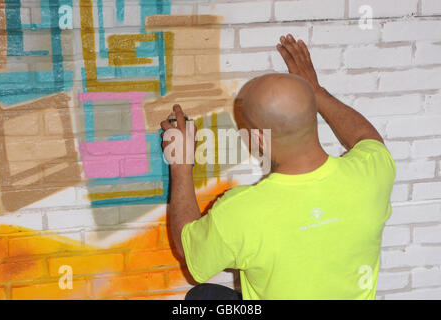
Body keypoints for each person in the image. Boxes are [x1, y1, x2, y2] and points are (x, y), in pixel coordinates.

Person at [160, 34, 396, 300]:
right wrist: (317, 92)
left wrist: (181, 165)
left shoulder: (240, 211)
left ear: (260, 138)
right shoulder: (372, 173)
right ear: (312, 116)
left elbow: (189, 250)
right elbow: (367, 138)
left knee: (200, 298)